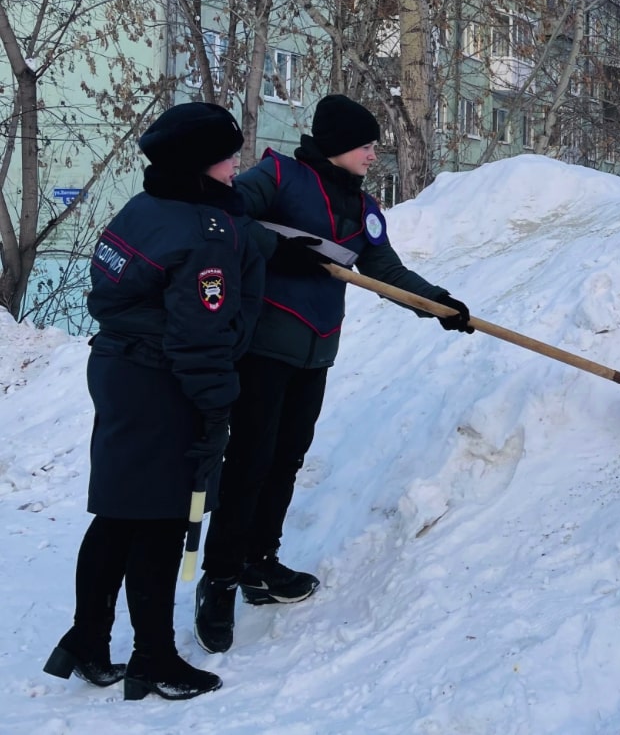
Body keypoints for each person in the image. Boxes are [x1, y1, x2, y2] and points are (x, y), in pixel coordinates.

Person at [194, 93, 474, 653]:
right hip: (265, 346)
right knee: (249, 461)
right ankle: (218, 578)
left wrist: (437, 304)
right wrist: (283, 248)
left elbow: (385, 269)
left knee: (287, 459)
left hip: (316, 352)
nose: (374, 154)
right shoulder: (279, 176)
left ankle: (259, 562)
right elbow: (223, 217)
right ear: (339, 145)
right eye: (367, 145)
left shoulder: (365, 208)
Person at [44, 102, 264, 701]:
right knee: (165, 521)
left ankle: (87, 640)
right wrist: (218, 404)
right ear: (198, 165)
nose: (235, 164)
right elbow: (200, 334)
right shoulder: (203, 234)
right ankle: (156, 659)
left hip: (117, 368)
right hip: (163, 383)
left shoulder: (144, 208)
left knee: (117, 513)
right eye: (226, 155)